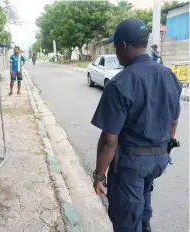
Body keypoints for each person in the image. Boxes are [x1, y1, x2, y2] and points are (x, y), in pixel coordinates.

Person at [91, 18, 181, 232]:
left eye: (115, 45)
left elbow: (108, 141)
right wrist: (162, 148)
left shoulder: (121, 83)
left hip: (132, 164)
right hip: (159, 159)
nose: (116, 49)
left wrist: (98, 175)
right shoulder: (168, 75)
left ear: (122, 45)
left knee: (126, 219)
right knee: (142, 197)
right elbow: (174, 121)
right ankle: (144, 222)